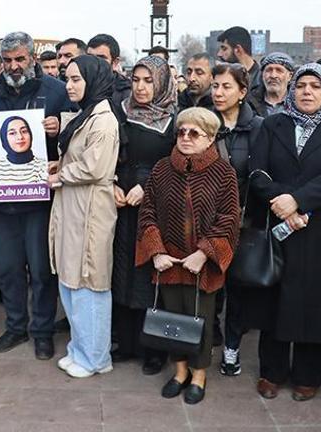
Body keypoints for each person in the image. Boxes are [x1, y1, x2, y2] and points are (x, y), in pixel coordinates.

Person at [249, 63, 321, 401]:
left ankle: (308, 375)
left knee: (314, 302)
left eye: (315, 86)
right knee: (275, 301)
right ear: (292, 91)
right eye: (301, 85)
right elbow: (258, 173)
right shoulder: (272, 124)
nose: (307, 92)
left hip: (319, 228)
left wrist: (298, 201)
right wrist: (281, 203)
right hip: (279, 225)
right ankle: (272, 371)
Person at [0, 31, 74, 360]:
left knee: (42, 270)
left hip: (40, 200)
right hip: (2, 200)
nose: (14, 66)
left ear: (32, 57)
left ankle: (42, 331)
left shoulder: (56, 92)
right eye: (8, 61)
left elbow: (77, 139)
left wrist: (60, 128)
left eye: (20, 59)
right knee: (8, 268)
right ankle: (16, 326)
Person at [136, 107, 241, 404]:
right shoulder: (161, 168)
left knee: (201, 319)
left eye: (194, 133)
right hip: (168, 262)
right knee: (171, 320)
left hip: (201, 266)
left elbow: (229, 219)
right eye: (181, 131)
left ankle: (198, 375)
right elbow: (148, 213)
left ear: (209, 139)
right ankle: (179, 371)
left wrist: (204, 253)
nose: (185, 137)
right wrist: (156, 251)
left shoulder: (224, 172)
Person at [49, 55, 119, 378]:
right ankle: (79, 349)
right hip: (72, 206)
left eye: (77, 79)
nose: (70, 85)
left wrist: (59, 175)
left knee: (90, 284)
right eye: (68, 78)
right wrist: (59, 168)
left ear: (93, 79)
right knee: (70, 281)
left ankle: (95, 358)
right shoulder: (85, 114)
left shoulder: (104, 119)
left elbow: (96, 166)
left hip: (91, 210)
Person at [111, 55, 175, 376]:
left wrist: (146, 186)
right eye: (136, 80)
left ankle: (154, 349)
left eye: (148, 81)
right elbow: (109, 153)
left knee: (151, 275)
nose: (141, 87)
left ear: (161, 82)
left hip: (154, 205)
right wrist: (111, 183)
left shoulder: (173, 120)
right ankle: (125, 342)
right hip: (120, 202)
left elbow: (175, 166)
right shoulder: (119, 111)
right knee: (120, 270)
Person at [210, 62, 264, 376]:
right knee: (208, 287)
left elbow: (261, 174)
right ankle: (203, 343)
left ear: (242, 92)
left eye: (226, 87)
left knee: (238, 289)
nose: (218, 92)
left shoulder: (259, 127)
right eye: (215, 86)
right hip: (207, 222)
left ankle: (231, 348)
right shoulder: (204, 123)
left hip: (244, 222)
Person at [0, 116, 48, 185]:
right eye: (12, 133)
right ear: (4, 138)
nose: (20, 137)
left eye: (24, 131)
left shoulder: (43, 166)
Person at [87, 34, 131, 118]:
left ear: (115, 63)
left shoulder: (127, 94)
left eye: (101, 58)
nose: (94, 63)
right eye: (90, 57)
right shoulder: (76, 87)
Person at [216, 27, 261, 95]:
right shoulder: (218, 79)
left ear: (238, 49)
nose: (219, 54)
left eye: (224, 49)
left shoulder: (262, 81)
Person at [248, 52, 294, 117]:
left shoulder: (298, 103)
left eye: (279, 70)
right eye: (269, 70)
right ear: (262, 75)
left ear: (290, 76)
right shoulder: (249, 102)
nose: (273, 75)